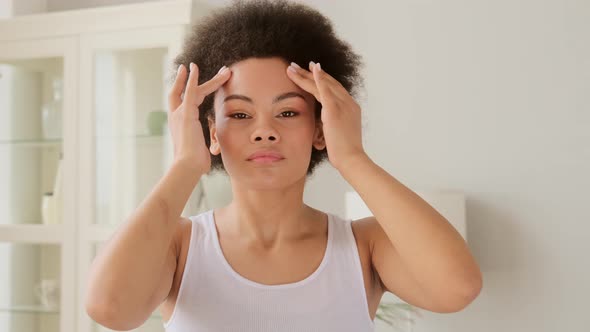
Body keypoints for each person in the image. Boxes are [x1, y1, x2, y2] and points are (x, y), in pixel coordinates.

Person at [85, 1, 483, 331]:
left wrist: (353, 158)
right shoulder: (179, 246)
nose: (264, 132)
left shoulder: (364, 247)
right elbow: (108, 308)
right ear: (211, 131)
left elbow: (457, 289)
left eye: (288, 112)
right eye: (240, 115)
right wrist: (186, 165)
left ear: (321, 127)